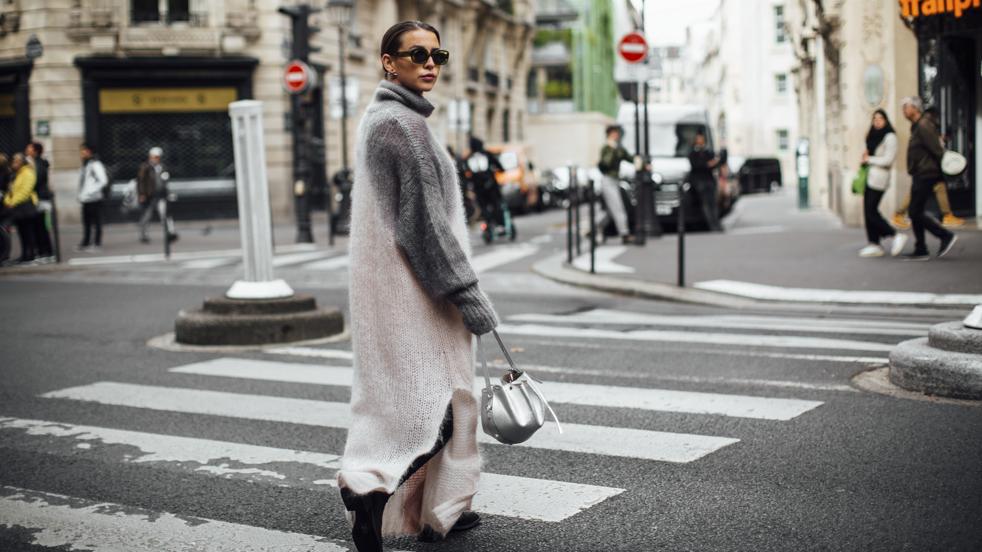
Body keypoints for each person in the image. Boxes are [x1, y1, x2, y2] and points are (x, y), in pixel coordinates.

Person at [337, 20, 497, 552]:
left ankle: (439, 510)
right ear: (388, 61)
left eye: (437, 54)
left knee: (403, 401)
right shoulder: (402, 126)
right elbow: (426, 227)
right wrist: (469, 296)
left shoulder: (386, 118)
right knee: (438, 403)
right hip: (417, 294)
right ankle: (369, 491)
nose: (430, 63)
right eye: (416, 54)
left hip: (397, 289)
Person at [900, 96, 956, 261]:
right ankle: (921, 248)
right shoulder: (917, 126)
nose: (903, 110)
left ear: (915, 108)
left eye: (906, 107)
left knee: (915, 211)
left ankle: (944, 236)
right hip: (921, 173)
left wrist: (941, 172)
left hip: (926, 173)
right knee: (915, 211)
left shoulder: (924, 125)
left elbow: (937, 150)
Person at [891, 106, 965, 229]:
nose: (904, 111)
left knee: (934, 189)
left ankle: (945, 217)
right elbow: (934, 147)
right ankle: (900, 214)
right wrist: (942, 154)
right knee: (916, 199)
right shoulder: (925, 125)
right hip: (926, 167)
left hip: (925, 167)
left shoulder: (921, 124)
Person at [858, 109, 906, 257]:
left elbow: (888, 159)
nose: (877, 121)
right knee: (867, 211)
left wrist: (869, 160)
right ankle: (874, 244)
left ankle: (895, 235)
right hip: (869, 177)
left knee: (871, 212)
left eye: (880, 118)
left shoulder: (890, 136)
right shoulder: (872, 135)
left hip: (880, 179)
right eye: (875, 119)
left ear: (886, 120)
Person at [597, 125, 633, 243]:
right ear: (608, 135)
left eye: (617, 133)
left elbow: (629, 158)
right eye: (613, 133)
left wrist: (642, 164)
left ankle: (595, 228)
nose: (616, 136)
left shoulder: (619, 148)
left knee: (610, 211)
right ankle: (624, 234)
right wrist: (612, 149)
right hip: (607, 180)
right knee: (618, 208)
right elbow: (605, 164)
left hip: (615, 181)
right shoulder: (606, 148)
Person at [1, 153, 39, 264]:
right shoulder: (17, 174)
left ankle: (31, 255)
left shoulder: (28, 172)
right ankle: (24, 255)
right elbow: (11, 190)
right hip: (18, 208)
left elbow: (25, 191)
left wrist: (12, 202)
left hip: (26, 206)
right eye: (13, 161)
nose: (14, 163)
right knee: (22, 232)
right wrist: (8, 201)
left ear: (22, 162)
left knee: (28, 232)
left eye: (16, 161)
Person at [136, 146, 176, 244]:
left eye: (158, 157)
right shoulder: (145, 167)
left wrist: (169, 193)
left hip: (161, 195)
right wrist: (142, 194)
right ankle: (143, 234)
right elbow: (140, 181)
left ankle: (170, 233)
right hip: (149, 195)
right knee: (147, 215)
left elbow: (166, 181)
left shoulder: (162, 167)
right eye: (154, 157)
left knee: (165, 214)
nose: (156, 159)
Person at [465, 135, 505, 234]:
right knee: (496, 204)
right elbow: (500, 167)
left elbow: (467, 174)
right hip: (491, 186)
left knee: (483, 207)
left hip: (478, 188)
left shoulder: (469, 158)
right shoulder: (487, 155)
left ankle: (488, 223)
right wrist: (498, 170)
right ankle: (500, 225)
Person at [687, 132, 722, 231]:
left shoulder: (708, 152)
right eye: (698, 139)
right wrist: (708, 164)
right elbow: (698, 166)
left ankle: (717, 224)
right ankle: (712, 225)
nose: (700, 141)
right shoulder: (693, 153)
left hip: (709, 180)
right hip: (700, 182)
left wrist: (709, 164)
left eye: (701, 139)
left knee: (713, 203)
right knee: (706, 204)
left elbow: (714, 163)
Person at [26, 142, 54, 262]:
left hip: (41, 199)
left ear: (35, 151)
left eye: (29, 148)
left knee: (42, 227)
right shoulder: (35, 162)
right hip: (39, 198)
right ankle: (43, 252)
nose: (27, 150)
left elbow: (37, 180)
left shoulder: (39, 163)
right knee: (38, 227)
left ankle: (47, 253)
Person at [77, 143, 107, 251]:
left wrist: (90, 192)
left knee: (96, 222)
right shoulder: (86, 164)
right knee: (87, 222)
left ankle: (96, 243)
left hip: (94, 198)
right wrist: (81, 195)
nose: (81, 153)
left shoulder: (96, 164)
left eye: (83, 151)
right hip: (86, 199)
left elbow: (103, 181)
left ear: (89, 151)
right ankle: (86, 242)